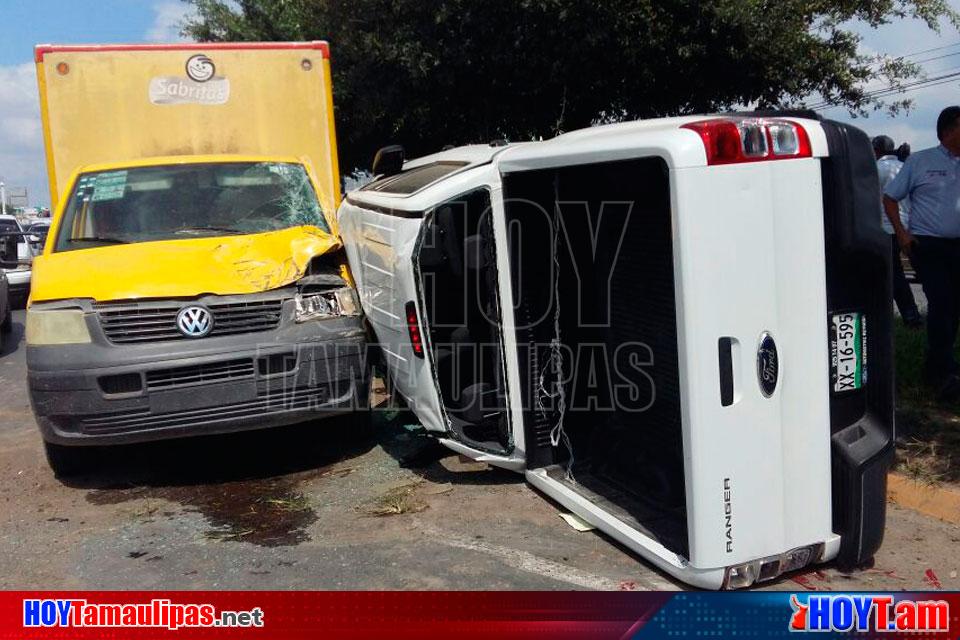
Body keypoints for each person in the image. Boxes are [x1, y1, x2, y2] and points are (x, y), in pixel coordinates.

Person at [883, 106, 960, 400]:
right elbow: (890, 197)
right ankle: (943, 372)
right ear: (949, 130)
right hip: (928, 246)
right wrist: (902, 233)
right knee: (941, 303)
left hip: (958, 247)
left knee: (954, 308)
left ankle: (936, 366)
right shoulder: (920, 161)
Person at [874, 135, 922, 329]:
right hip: (910, 226)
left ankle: (910, 316)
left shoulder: (876, 169)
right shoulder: (905, 167)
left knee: (894, 275)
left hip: (886, 228)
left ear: (876, 150)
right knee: (924, 271)